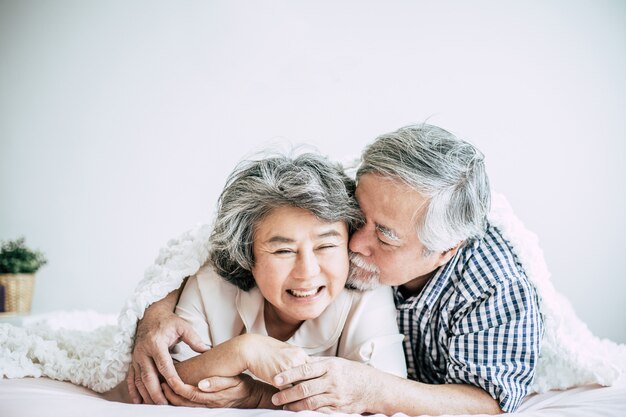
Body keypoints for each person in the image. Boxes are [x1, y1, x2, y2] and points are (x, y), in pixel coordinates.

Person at [130, 124, 544, 415]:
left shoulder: (496, 289)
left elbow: (488, 403)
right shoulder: (369, 192)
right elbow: (228, 233)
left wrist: (369, 389)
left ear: (443, 251)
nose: (354, 244)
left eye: (384, 236)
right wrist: (157, 310)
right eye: (356, 217)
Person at [125, 152, 406, 409]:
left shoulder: (367, 295)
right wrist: (243, 350)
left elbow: (385, 397)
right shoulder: (210, 284)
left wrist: (258, 395)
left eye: (325, 246)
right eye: (283, 250)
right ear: (248, 254)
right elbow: (161, 383)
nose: (307, 272)